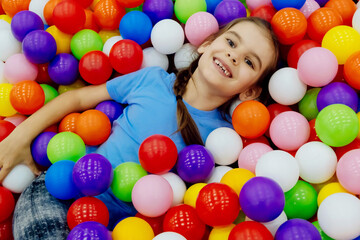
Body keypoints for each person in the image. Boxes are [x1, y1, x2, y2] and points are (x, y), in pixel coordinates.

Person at [0, 17, 279, 239]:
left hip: (128, 229)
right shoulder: (152, 80)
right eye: (231, 43)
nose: (233, 56)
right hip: (63, 189)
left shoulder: (226, 141)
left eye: (248, 61)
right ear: (206, 44)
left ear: (250, 92)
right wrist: (19, 138)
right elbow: (77, 97)